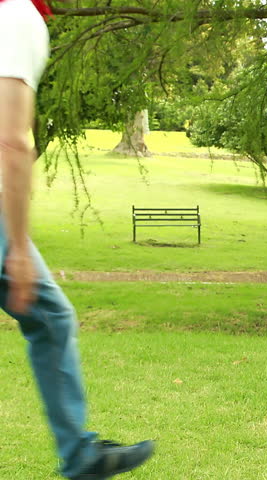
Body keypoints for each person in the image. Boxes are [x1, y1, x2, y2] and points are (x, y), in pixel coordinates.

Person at [0, 0, 155, 477]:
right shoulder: (16, 16)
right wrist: (20, 247)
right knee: (51, 317)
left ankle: (80, 451)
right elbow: (11, 141)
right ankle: (80, 454)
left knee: (52, 317)